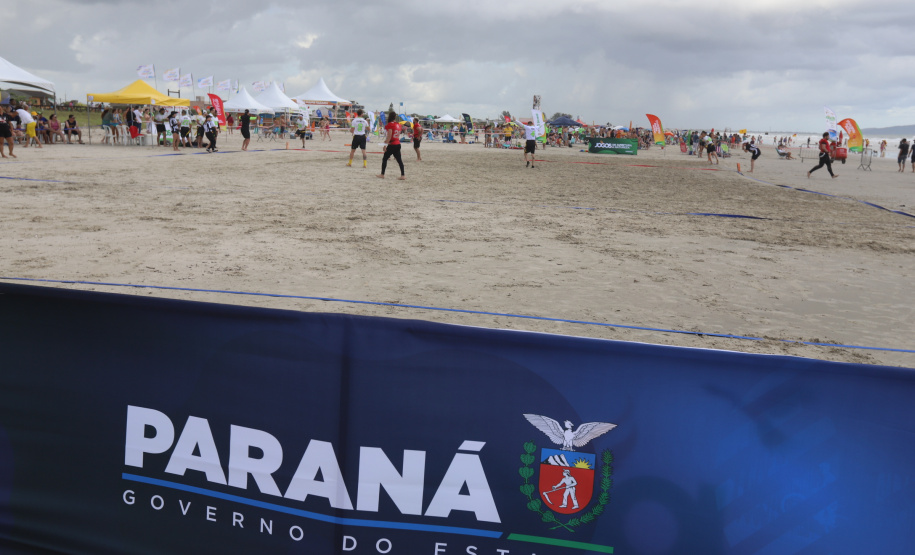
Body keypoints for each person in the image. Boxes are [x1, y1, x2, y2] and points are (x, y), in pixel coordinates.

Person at [377, 110, 405, 180]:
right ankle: (403, 175)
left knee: (385, 159)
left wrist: (385, 145)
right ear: (395, 117)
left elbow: (389, 136)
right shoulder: (398, 125)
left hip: (392, 144)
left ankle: (382, 174)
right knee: (399, 160)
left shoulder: (390, 125)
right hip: (398, 143)